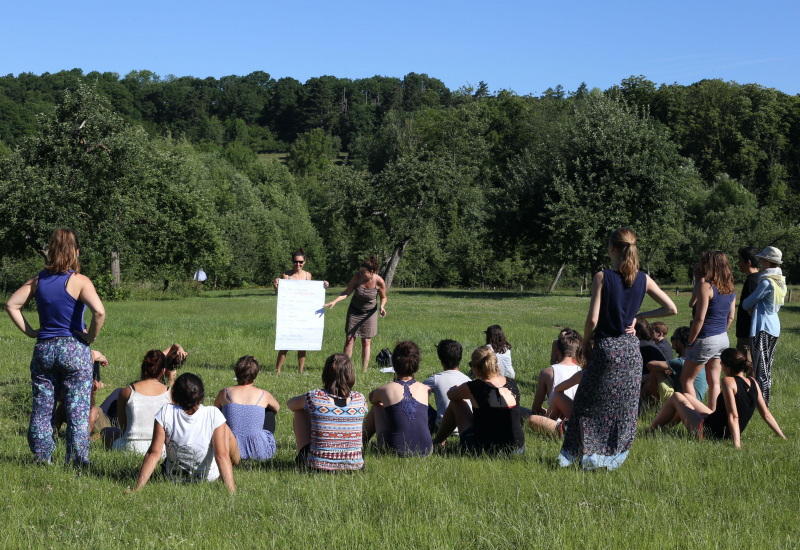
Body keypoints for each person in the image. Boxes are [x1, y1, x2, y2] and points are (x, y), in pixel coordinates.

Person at [558, 228, 677, 471]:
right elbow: (671, 308)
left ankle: (580, 456)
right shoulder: (643, 278)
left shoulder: (602, 277)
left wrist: (586, 344)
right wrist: (638, 316)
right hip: (632, 352)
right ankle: (610, 460)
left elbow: (592, 320)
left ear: (612, 248)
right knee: (623, 409)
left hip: (606, 349)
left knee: (587, 404)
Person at [5, 228, 106, 465]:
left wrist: (31, 331)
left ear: (50, 251)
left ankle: (41, 457)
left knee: (42, 407)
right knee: (77, 409)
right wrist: (89, 337)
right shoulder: (79, 281)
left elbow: (11, 304)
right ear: (76, 252)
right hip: (74, 350)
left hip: (44, 350)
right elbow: (99, 311)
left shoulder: (38, 280)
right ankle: (77, 459)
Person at [647, 349, 785, 448]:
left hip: (709, 434)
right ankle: (664, 428)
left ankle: (650, 430)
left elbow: (733, 416)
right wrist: (781, 436)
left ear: (727, 368)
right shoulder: (753, 382)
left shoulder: (728, 382)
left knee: (677, 396)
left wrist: (737, 445)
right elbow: (766, 414)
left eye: (722, 365)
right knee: (686, 397)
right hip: (720, 426)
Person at [132, 373, 238, 493]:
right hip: (207, 479)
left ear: (174, 395)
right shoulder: (213, 414)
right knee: (226, 430)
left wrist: (137, 489)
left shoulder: (165, 412)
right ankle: (238, 462)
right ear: (201, 395)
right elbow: (221, 455)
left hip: (174, 479)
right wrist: (231, 492)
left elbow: (154, 453)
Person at [432, 346, 525, 455]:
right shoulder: (512, 383)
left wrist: (458, 388)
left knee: (456, 403)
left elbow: (451, 395)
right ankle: (438, 441)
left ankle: (437, 442)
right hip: (518, 449)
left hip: (485, 450)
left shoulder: (474, 387)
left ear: (476, 369)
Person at [287, 354, 367, 471]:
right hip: (355, 466)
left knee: (299, 411)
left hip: (317, 466)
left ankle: (304, 459)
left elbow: (291, 404)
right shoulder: (360, 399)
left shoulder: (314, 396)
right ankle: (351, 456)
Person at [681, 251, 736, 411]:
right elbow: (731, 317)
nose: (700, 265)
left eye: (703, 263)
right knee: (714, 382)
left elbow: (699, 318)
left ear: (709, 265)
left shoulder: (708, 286)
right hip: (722, 338)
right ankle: (712, 414)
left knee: (687, 380)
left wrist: (690, 342)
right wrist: (698, 281)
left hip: (705, 338)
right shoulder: (730, 288)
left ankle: (698, 417)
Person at [363, 341, 433, 457]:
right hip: (426, 449)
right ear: (416, 366)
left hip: (394, 450)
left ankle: (361, 442)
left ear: (394, 365)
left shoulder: (384, 390)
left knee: (377, 406)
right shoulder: (426, 389)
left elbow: (372, 398)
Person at [324, 255, 387, 373]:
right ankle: (344, 368)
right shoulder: (357, 277)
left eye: (363, 272)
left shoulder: (379, 281)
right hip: (354, 311)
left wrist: (382, 307)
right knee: (349, 339)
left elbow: (383, 297)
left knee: (366, 340)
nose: (360, 273)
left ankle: (364, 370)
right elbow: (347, 292)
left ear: (371, 272)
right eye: (360, 271)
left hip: (369, 313)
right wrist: (335, 301)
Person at [102, 350, 172, 455]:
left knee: (106, 432)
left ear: (143, 369)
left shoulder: (127, 391)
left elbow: (123, 427)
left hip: (130, 448)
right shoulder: (171, 393)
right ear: (163, 371)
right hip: (161, 450)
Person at [741, 246, 786, 407]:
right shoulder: (780, 281)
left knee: (761, 368)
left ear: (768, 261)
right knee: (766, 366)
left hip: (762, 327)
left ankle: (762, 404)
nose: (760, 262)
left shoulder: (767, 282)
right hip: (774, 326)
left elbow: (747, 302)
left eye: (762, 259)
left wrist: (754, 304)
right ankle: (763, 401)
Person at [273, 248, 328, 374]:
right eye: (295, 261)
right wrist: (275, 286)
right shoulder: (286, 276)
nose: (298, 264)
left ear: (305, 262)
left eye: (300, 262)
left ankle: (301, 371)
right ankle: (278, 370)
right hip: (290, 314)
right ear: (292, 261)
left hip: (304, 314)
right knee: (285, 343)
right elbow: (280, 296)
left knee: (303, 343)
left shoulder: (308, 276)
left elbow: (312, 294)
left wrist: (324, 285)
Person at [214, 355, 279, 461]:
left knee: (220, 411)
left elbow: (215, 411)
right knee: (269, 410)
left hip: (229, 448)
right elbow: (277, 407)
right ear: (256, 375)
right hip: (260, 451)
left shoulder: (225, 393)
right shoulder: (264, 394)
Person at [642, 326, 707, 403]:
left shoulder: (680, 362)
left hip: (683, 402)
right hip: (697, 401)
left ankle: (653, 404)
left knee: (655, 371)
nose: (671, 341)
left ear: (679, 342)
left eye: (673, 338)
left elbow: (650, 365)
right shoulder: (697, 360)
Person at [530, 329, 583, 418]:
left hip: (556, 422)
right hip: (577, 421)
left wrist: (542, 410)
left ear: (557, 351)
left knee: (523, 412)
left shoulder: (547, 372)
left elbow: (535, 409)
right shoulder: (582, 372)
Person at [422, 339, 471, 434]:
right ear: (460, 359)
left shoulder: (435, 379)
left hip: (440, 428)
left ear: (441, 361)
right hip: (465, 427)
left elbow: (416, 391)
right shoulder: (468, 380)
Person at [735, 247, 761, 366]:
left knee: (747, 366)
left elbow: (753, 307)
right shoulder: (759, 279)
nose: (738, 263)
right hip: (750, 333)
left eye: (740, 260)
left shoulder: (752, 281)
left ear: (748, 262)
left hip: (747, 334)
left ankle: (750, 385)